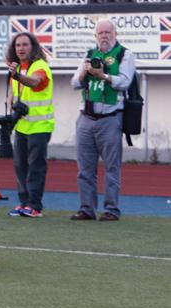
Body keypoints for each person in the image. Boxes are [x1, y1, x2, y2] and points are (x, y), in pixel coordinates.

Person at [70, 20, 135, 222]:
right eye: (100, 33)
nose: (104, 36)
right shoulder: (90, 54)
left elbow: (124, 82)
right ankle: (86, 208)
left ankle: (111, 210)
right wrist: (85, 72)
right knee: (84, 169)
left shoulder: (125, 54)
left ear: (115, 34)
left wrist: (103, 75)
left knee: (112, 168)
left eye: (108, 32)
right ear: (95, 36)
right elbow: (74, 83)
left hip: (111, 118)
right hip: (86, 118)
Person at [5, 32, 55, 218]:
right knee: (20, 166)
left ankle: (35, 206)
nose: (21, 48)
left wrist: (16, 75)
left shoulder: (40, 66)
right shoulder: (17, 69)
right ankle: (24, 202)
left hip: (40, 126)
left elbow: (35, 82)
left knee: (35, 167)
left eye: (25, 44)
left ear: (33, 47)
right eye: (18, 45)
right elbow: (14, 95)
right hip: (22, 126)